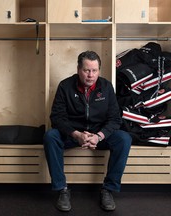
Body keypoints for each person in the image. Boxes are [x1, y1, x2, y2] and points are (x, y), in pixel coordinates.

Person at [44, 50, 132, 212]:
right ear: (78, 69)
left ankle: (108, 189)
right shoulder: (65, 86)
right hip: (73, 134)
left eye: (94, 70)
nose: (90, 75)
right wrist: (76, 134)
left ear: (99, 70)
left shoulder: (106, 87)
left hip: (99, 135)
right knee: (50, 136)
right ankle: (61, 189)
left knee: (124, 139)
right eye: (86, 70)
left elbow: (115, 119)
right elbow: (57, 117)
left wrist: (99, 136)